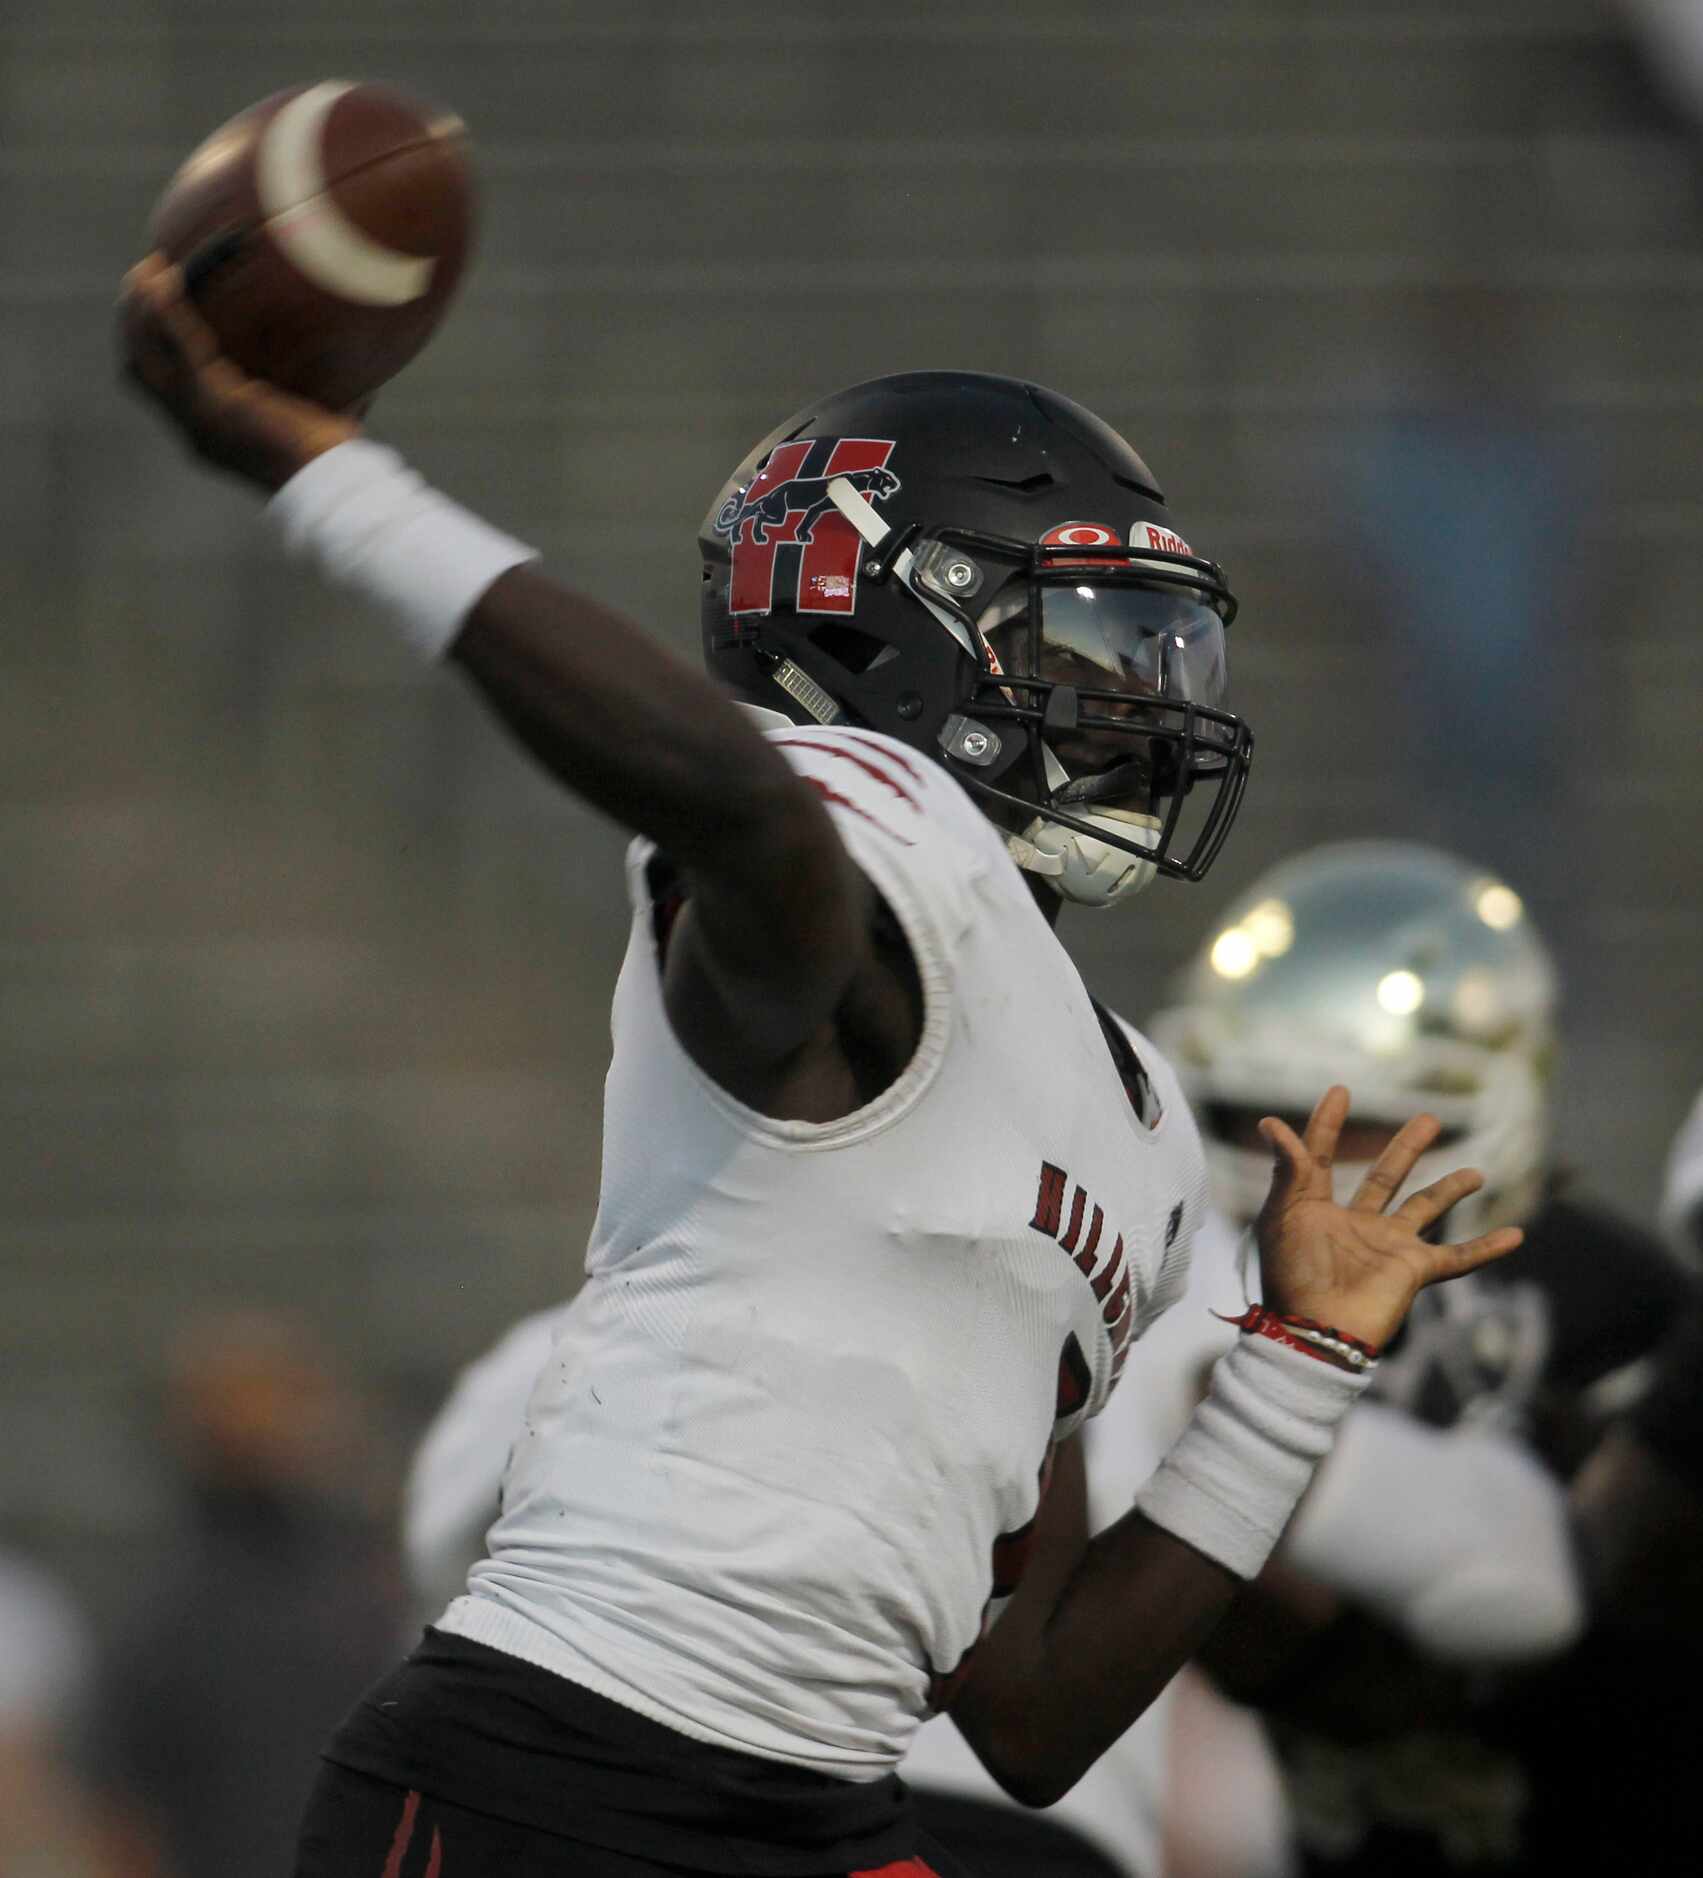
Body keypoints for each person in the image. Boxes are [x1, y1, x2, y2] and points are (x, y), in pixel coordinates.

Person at [119, 254, 1523, 1878]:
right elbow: (747, 808)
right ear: (893, 625)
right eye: (1081, 643)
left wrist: (1292, 1361)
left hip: (823, 1807)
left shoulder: (1129, 1109)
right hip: (556, 1775)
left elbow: (1036, 1707)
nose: (1142, 704)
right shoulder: (849, 840)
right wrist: (340, 480)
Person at [1148, 840, 1696, 1875]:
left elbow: (1529, 1622)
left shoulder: (1600, 1297)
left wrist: (1274, 1469)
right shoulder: (1200, 1278)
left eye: (1366, 1127)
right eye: (1249, 1119)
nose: (1305, 1171)